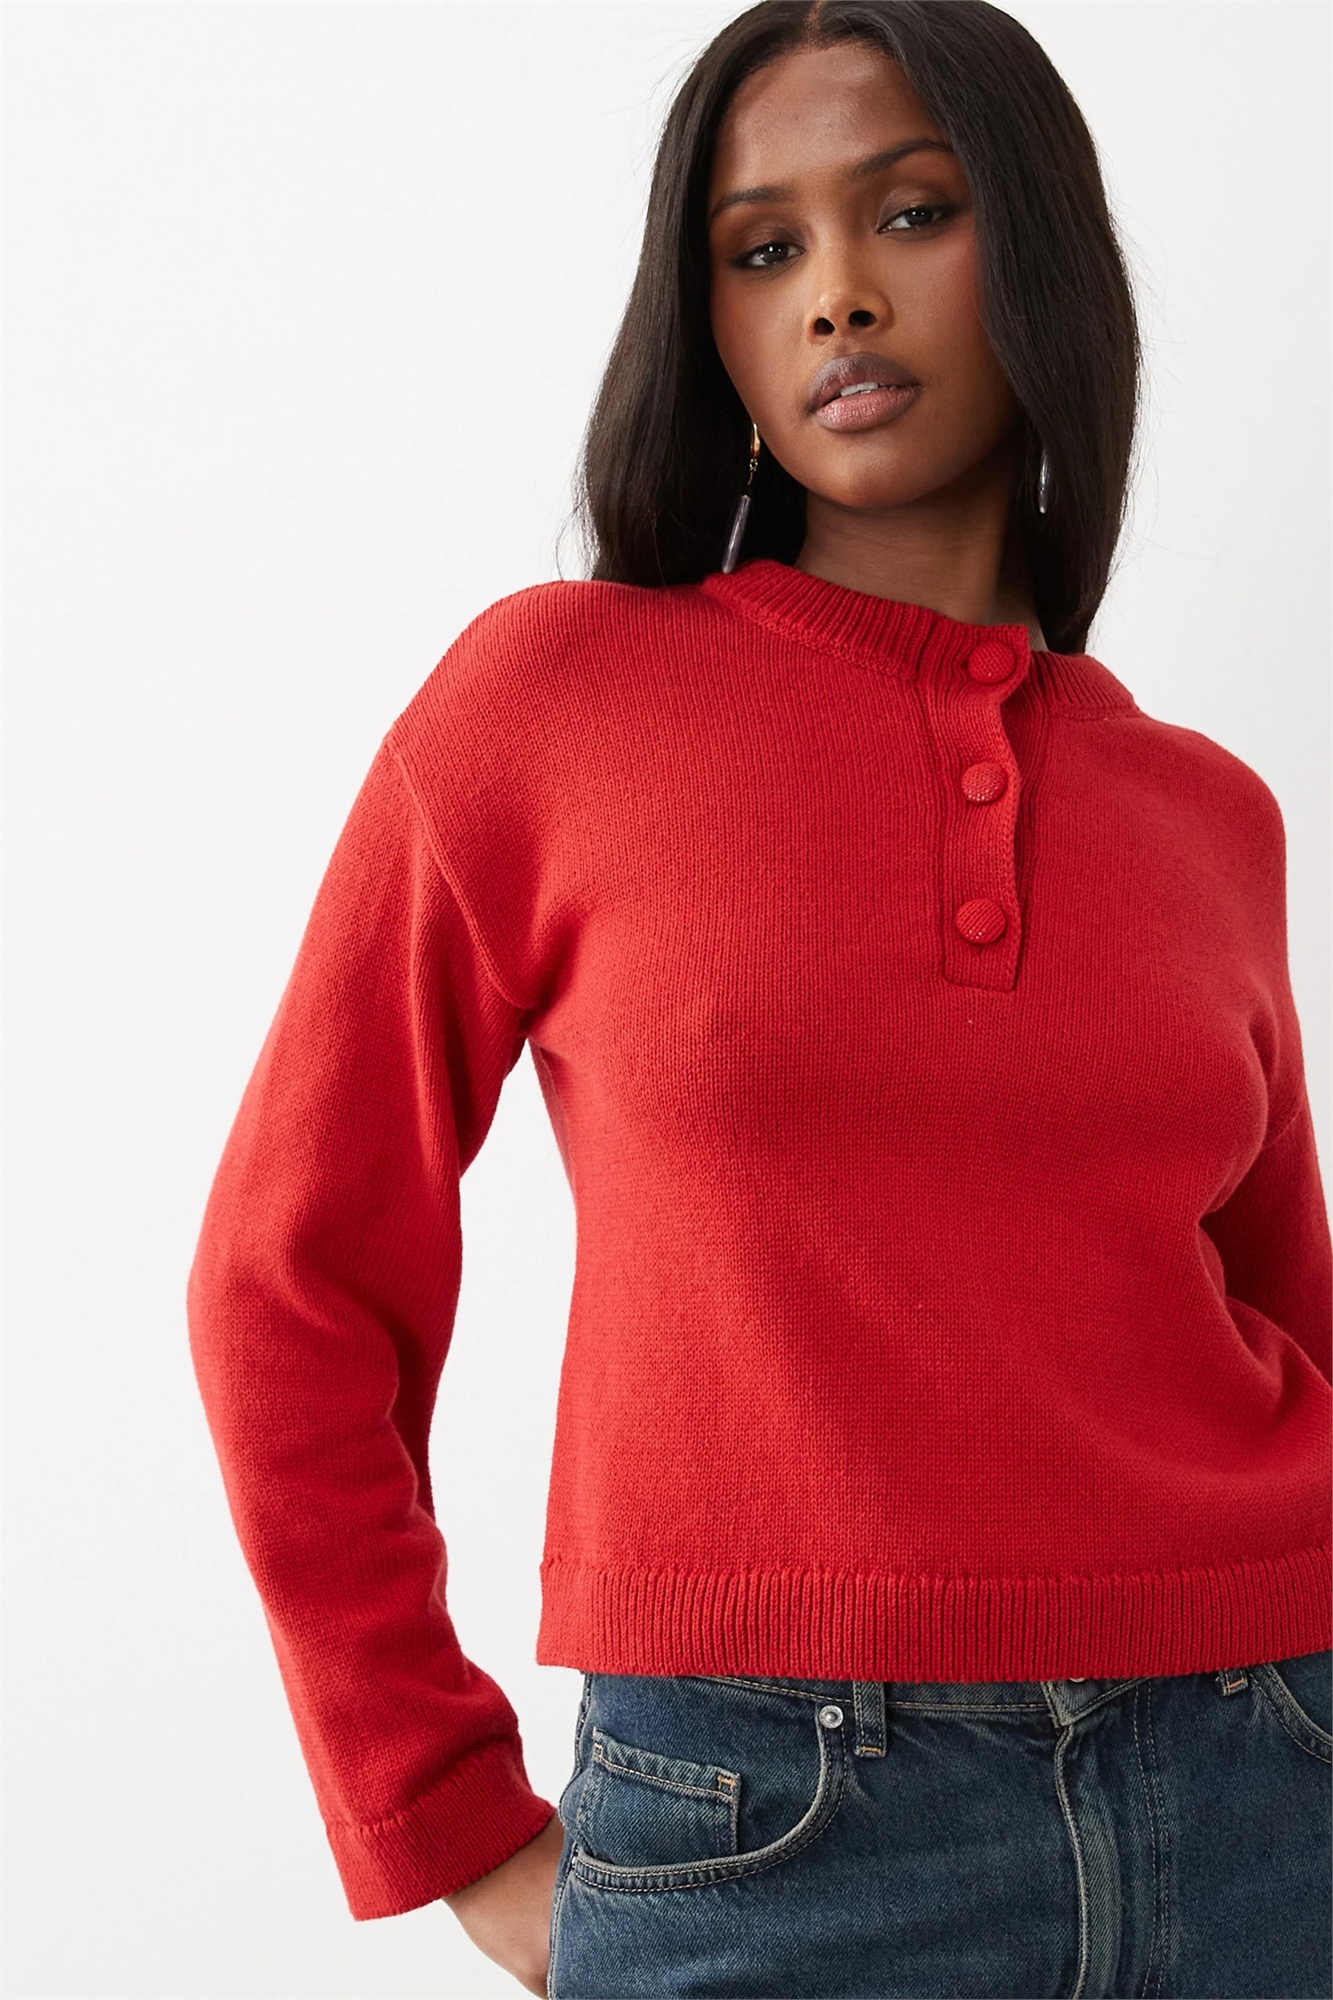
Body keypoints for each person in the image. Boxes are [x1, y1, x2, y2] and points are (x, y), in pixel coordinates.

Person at [187, 2, 1333, 1995]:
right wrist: (440, 1812)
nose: (837, 295)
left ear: (1040, 254)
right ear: (704, 320)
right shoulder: (549, 704)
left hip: (1272, 1779)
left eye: (912, 211)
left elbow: (1285, 1302)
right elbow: (285, 1281)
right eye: (762, 247)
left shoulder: (1206, 812)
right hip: (770, 1819)